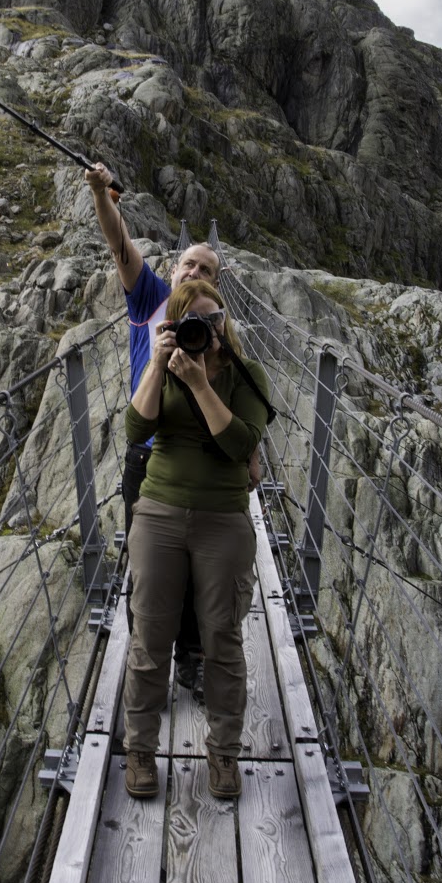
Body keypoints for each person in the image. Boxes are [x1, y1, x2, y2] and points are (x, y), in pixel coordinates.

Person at [121, 279, 271, 802]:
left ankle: (224, 754)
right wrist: (158, 365)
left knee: (223, 641)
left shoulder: (245, 376)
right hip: (160, 509)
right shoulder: (166, 365)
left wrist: (204, 384)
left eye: (215, 321)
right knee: (149, 638)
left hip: (222, 517)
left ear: (224, 323)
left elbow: (240, 444)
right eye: (195, 322)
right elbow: (134, 429)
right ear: (175, 324)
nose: (205, 331)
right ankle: (140, 750)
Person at [84, 162, 217, 701]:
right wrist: (102, 196)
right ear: (174, 266)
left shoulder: (218, 323)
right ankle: (151, 664)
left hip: (200, 456)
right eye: (188, 263)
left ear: (215, 282)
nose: (193, 272)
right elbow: (119, 247)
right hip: (147, 451)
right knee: (148, 566)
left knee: (195, 567)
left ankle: (190, 658)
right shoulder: (149, 297)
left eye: (205, 268)